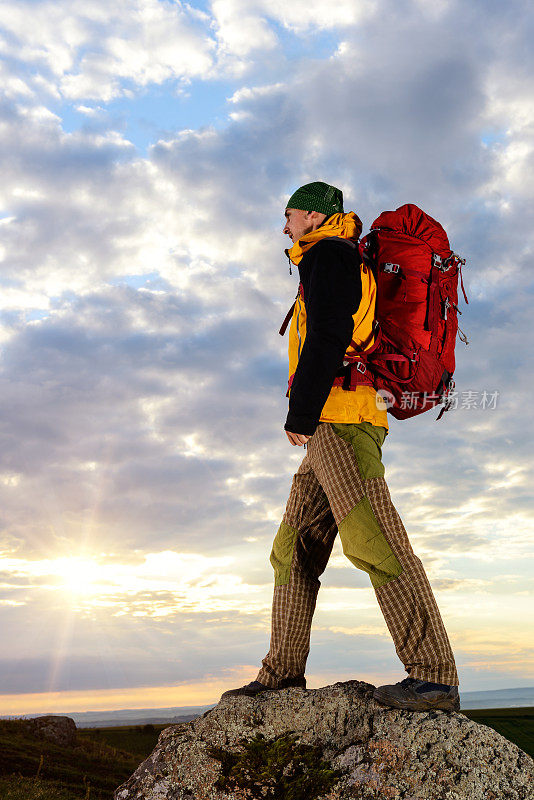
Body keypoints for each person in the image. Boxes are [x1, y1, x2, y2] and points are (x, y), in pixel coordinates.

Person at [222, 182, 460, 712]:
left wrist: (301, 413)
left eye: (287, 216)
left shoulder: (330, 255)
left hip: (344, 421)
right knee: (292, 549)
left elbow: (329, 333)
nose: (283, 226)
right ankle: (281, 672)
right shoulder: (331, 255)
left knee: (375, 541)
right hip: (335, 421)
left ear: (311, 215)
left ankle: (434, 675)